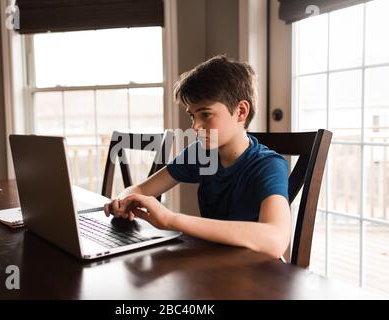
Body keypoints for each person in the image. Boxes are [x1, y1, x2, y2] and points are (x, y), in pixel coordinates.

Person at [103, 55, 290, 259]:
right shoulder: (200, 154)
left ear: (241, 112)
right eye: (193, 116)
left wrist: (171, 220)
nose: (195, 126)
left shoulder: (268, 165)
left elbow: (275, 239)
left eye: (205, 114)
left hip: (258, 275)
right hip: (213, 263)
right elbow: (141, 189)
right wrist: (123, 201)